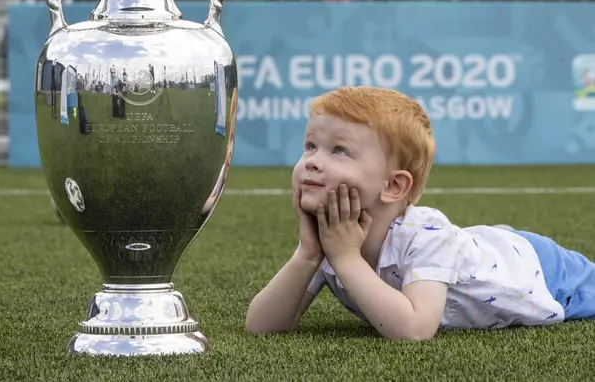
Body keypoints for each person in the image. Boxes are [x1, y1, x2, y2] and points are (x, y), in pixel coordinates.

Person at [245, 86, 595, 340]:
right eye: (310, 146)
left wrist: (346, 258)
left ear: (394, 186)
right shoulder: (333, 234)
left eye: (339, 150)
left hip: (542, 272)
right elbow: (261, 327)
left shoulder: (426, 233)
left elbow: (414, 330)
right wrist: (308, 254)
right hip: (482, 246)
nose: (312, 162)